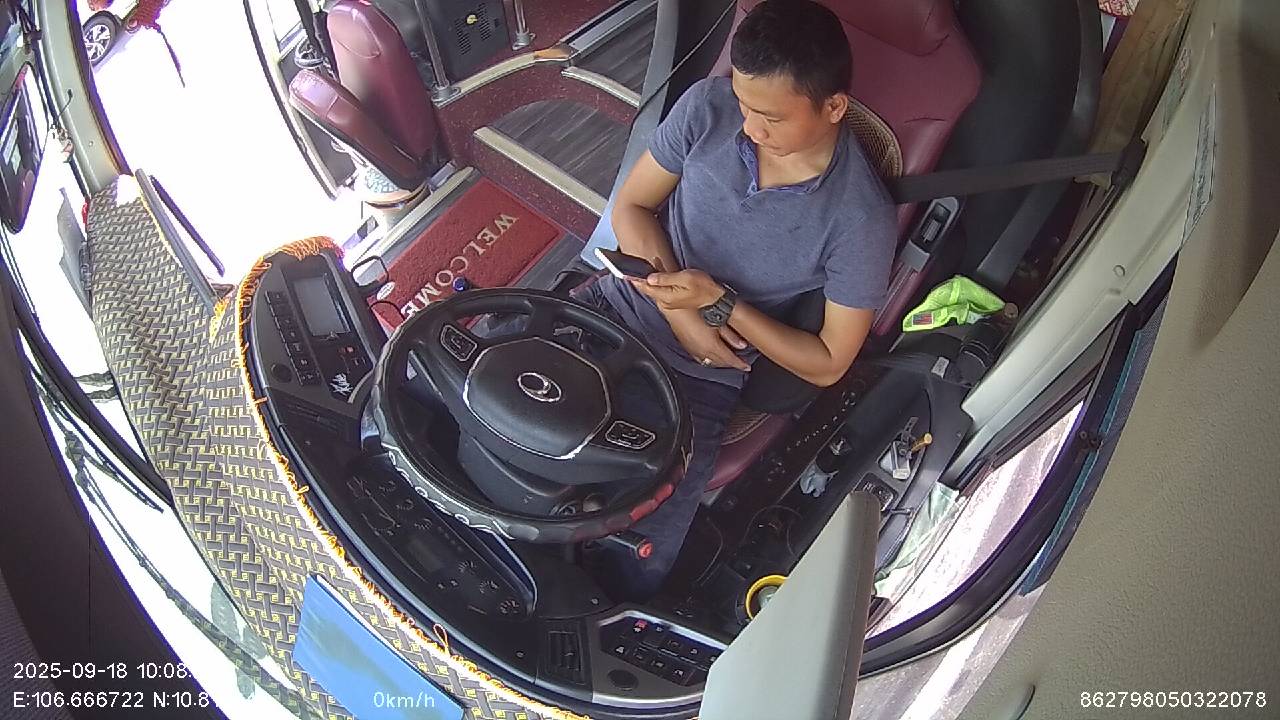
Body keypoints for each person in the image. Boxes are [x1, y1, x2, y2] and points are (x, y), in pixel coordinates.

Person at [575, 0, 896, 599]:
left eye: (771, 117)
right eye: (746, 105)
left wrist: (720, 305)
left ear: (834, 107)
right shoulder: (708, 106)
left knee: (629, 554)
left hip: (699, 376)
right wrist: (681, 306)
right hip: (614, 308)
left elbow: (830, 361)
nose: (750, 128)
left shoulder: (859, 218)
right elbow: (633, 206)